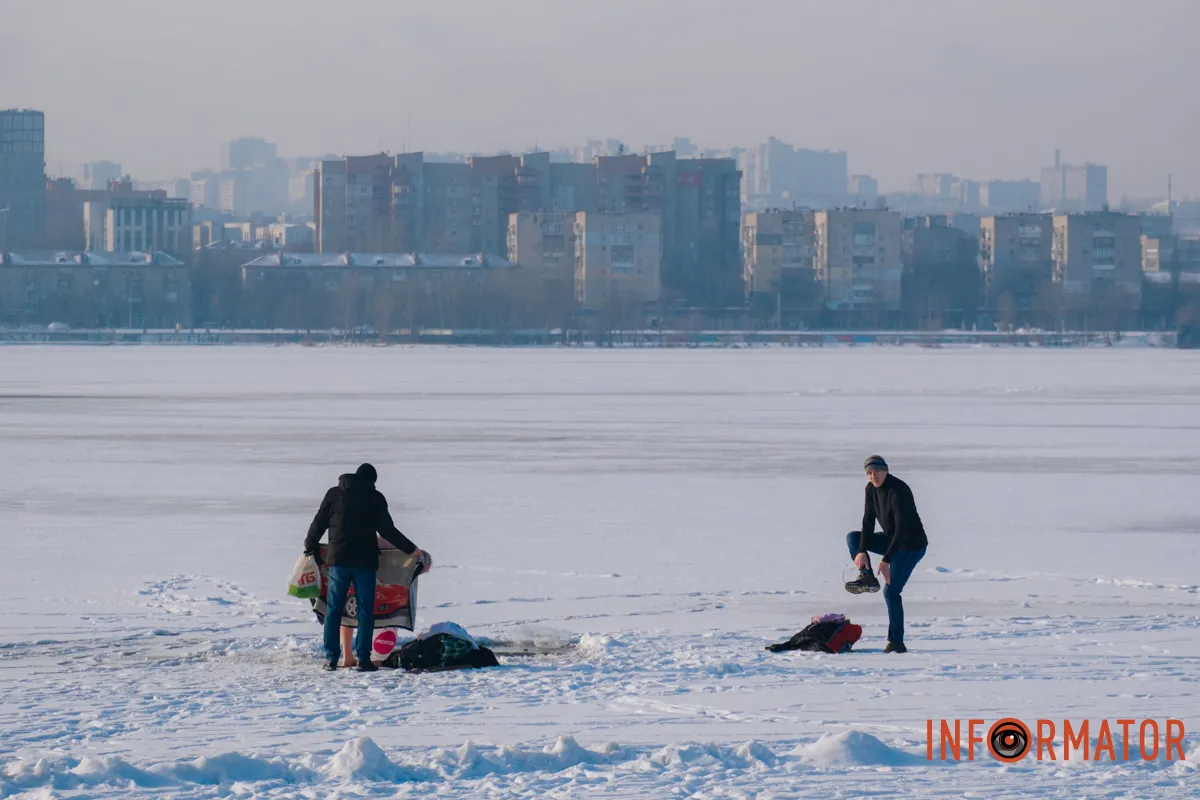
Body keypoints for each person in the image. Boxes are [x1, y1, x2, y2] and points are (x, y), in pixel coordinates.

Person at [304, 463, 429, 672]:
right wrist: (411, 549)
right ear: (371, 481)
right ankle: (363, 659)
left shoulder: (334, 494)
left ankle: (331, 658)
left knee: (334, 609)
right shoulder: (375, 498)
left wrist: (309, 545)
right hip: (364, 562)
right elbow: (387, 530)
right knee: (365, 611)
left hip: (338, 561)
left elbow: (319, 522)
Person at [844, 455, 928, 653]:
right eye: (868, 473)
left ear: (885, 471)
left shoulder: (898, 490)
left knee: (891, 592)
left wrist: (886, 559)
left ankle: (896, 642)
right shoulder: (870, 489)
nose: (872, 476)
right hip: (891, 539)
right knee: (853, 539)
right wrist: (862, 551)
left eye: (876, 471)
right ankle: (867, 577)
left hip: (910, 546)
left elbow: (902, 530)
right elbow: (867, 521)